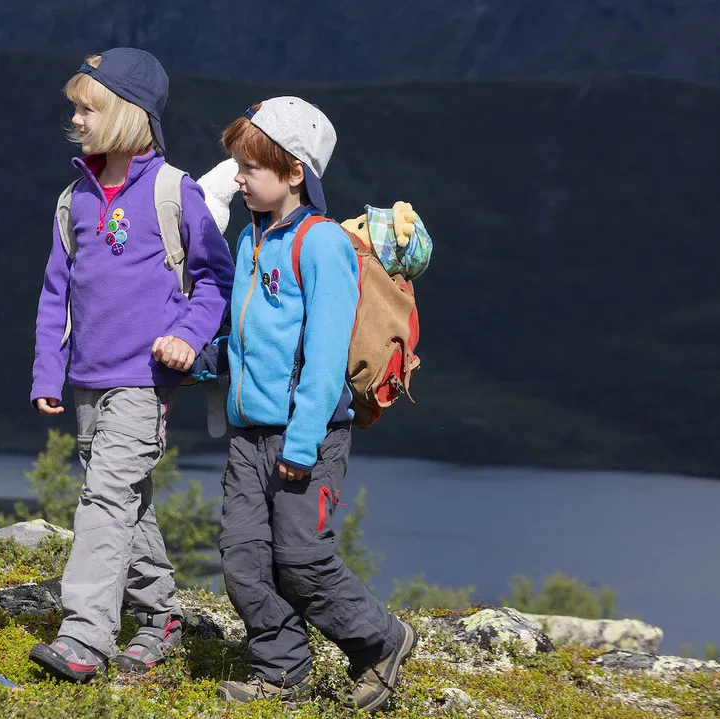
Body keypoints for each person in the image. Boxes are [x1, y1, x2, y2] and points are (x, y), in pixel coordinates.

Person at [197, 97, 418, 711]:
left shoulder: (321, 245)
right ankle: (282, 667)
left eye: (249, 167)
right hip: (249, 435)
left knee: (299, 556)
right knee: (243, 559)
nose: (237, 178)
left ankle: (381, 641)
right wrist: (207, 362)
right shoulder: (250, 239)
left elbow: (323, 357)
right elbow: (247, 334)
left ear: (295, 171)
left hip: (308, 435)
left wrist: (301, 441)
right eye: (237, 165)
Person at [28, 48, 235, 682]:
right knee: (127, 499)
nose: (75, 118)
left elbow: (213, 282)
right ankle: (160, 615)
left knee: (105, 497)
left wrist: (187, 337)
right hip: (88, 379)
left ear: (126, 114)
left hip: (145, 382)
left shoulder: (176, 192)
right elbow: (55, 293)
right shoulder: (75, 200)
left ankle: (85, 636)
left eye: (87, 108)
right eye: (75, 107)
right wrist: (46, 372)